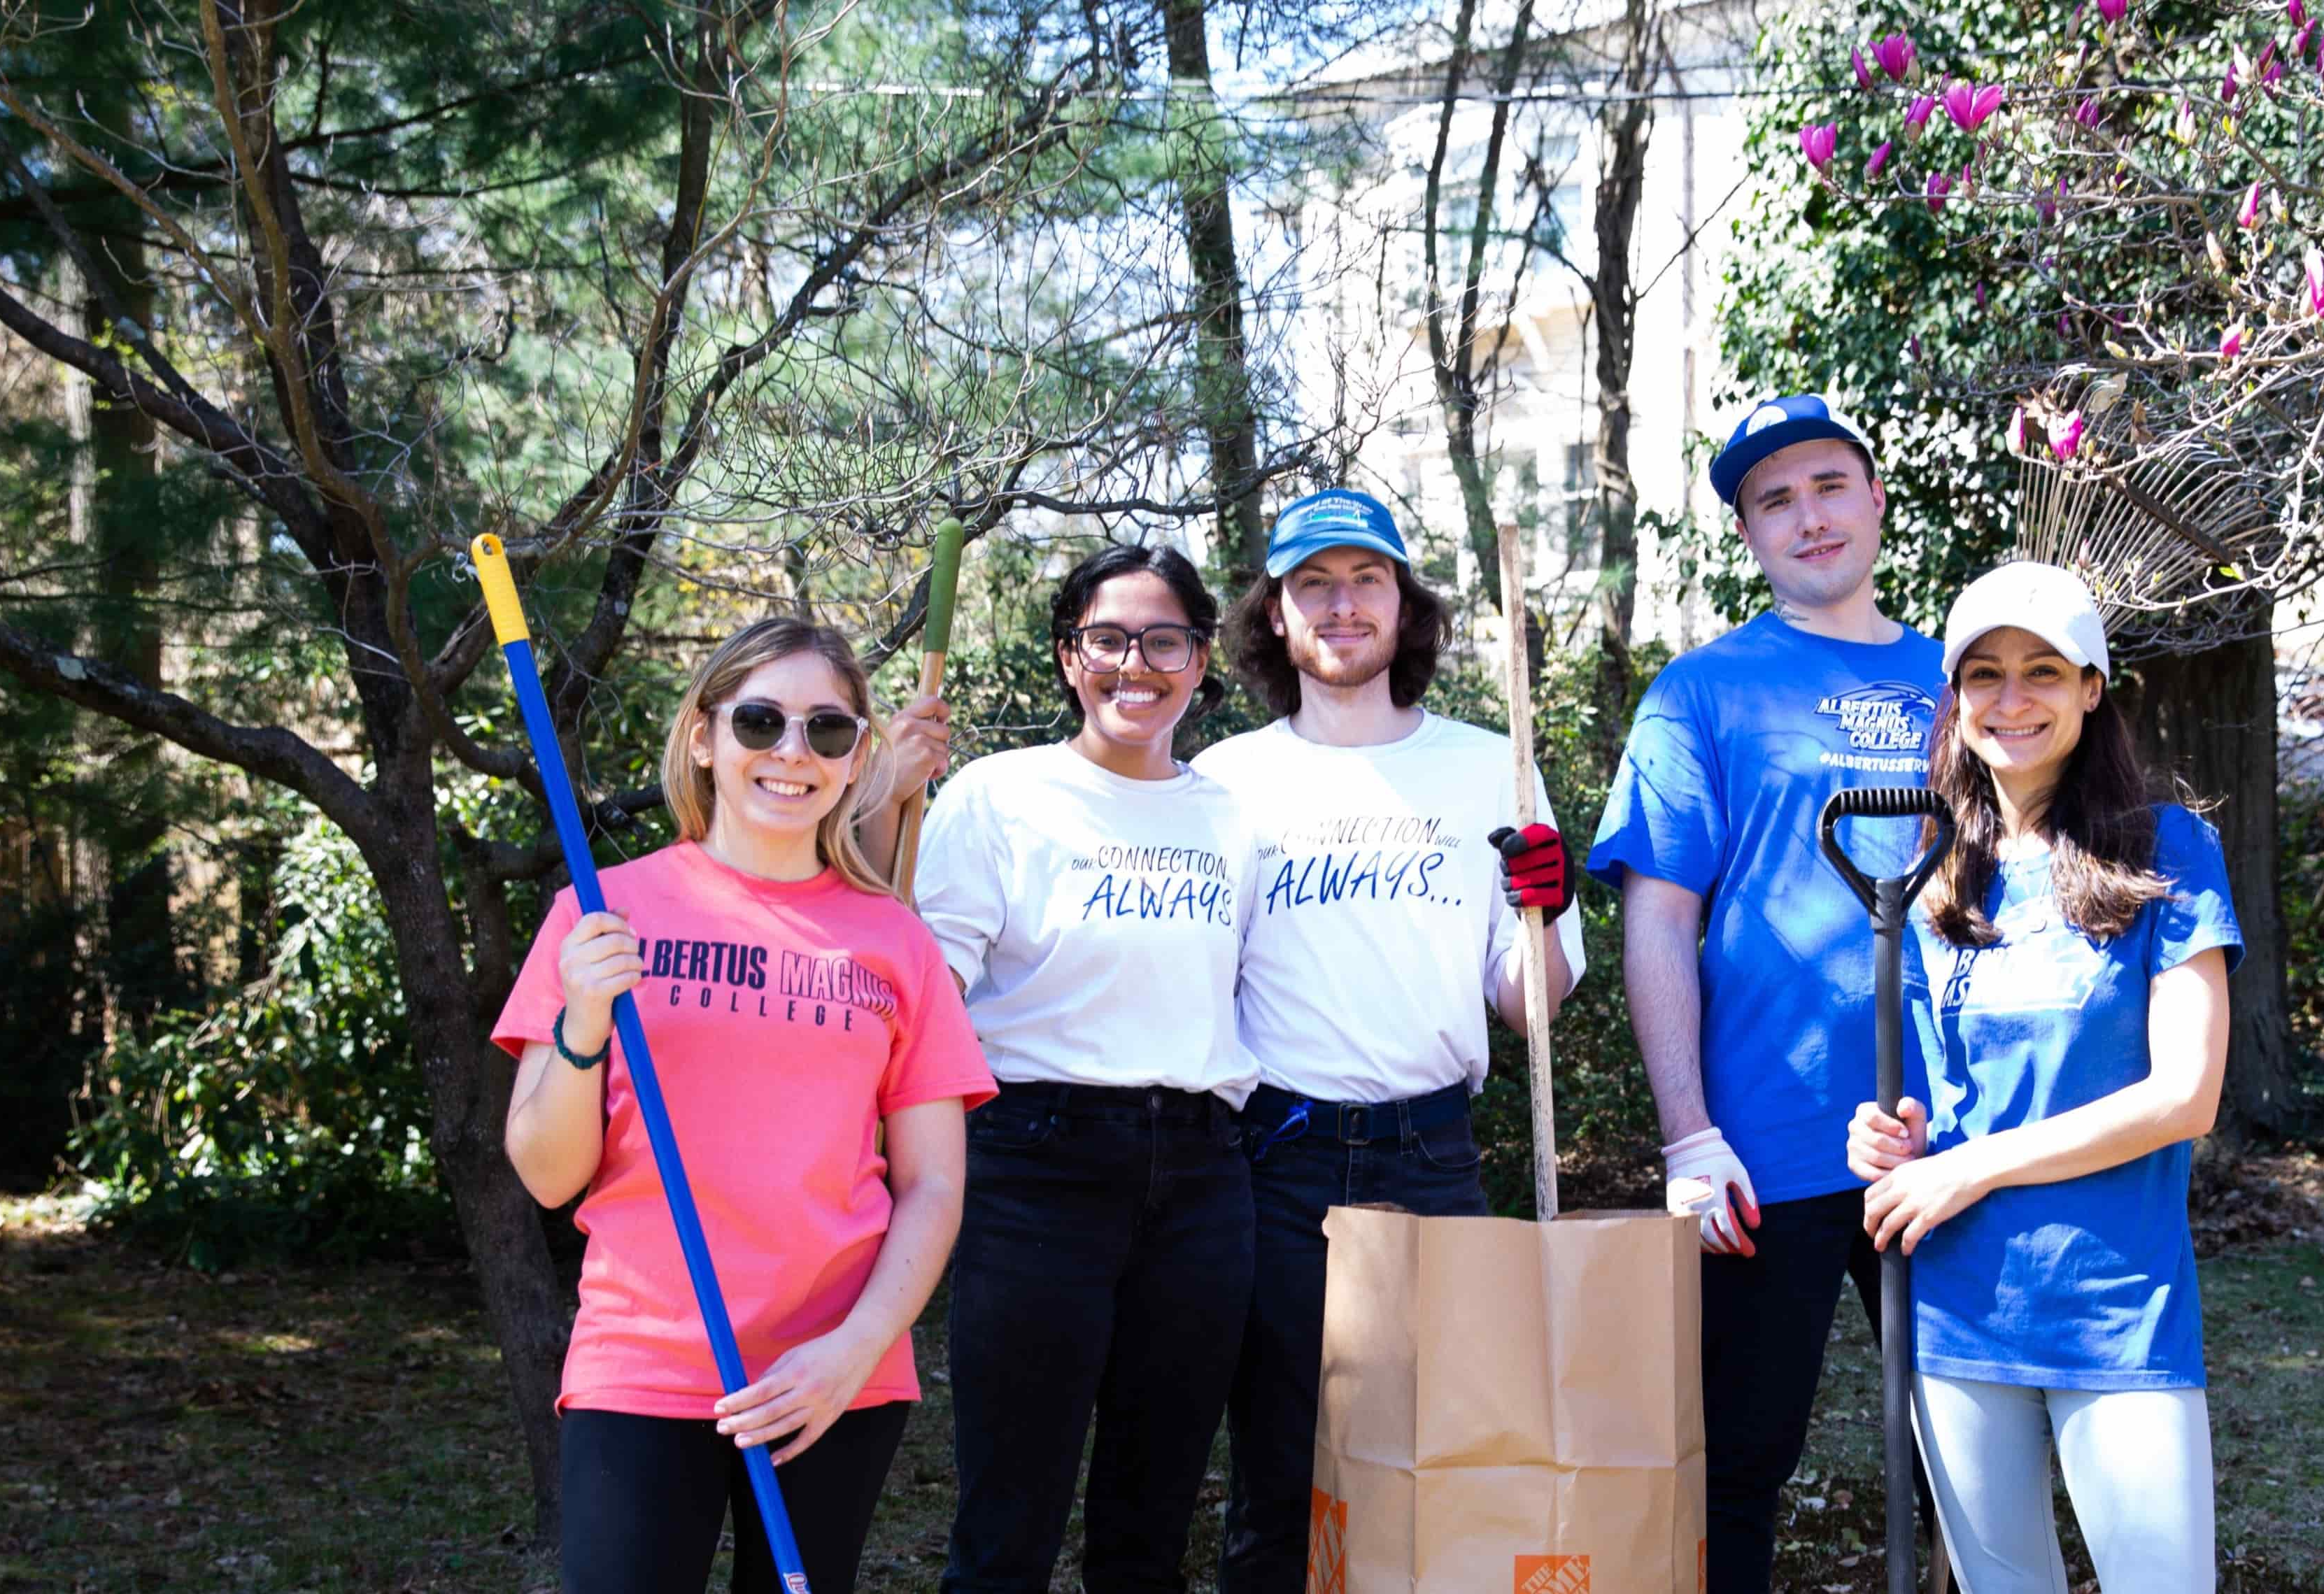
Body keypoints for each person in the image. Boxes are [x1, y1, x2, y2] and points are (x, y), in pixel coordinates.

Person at [494, 617, 991, 1594]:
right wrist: (584, 1019)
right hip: (644, 1359)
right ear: (703, 736)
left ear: (857, 761)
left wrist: (855, 1349)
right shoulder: (601, 911)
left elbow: (934, 1183)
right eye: (760, 721)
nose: (791, 754)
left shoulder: (896, 942)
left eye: (829, 731)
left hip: (833, 1373)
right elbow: (548, 1177)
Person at [1584, 393, 1948, 1593]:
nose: (1808, 517)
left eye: (1827, 485)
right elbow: (1659, 916)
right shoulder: (1698, 694)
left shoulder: (1968, 678)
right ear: (1746, 533)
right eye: (1772, 500)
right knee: (1735, 1464)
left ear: (1876, 496)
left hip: (1951, 1136)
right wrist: (1689, 1135)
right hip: (1766, 1147)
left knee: (1969, 1453)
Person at [1195, 488, 1588, 1593]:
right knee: (1277, 1475)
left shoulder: (1489, 767)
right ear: (1274, 615)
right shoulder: (1225, 781)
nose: (1341, 604)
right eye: (1311, 583)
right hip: (1275, 1158)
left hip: (1432, 1154)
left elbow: (1529, 1006)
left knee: (1435, 1469)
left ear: (1404, 607)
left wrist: (1543, 914)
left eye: (1365, 579)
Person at [1848, 561, 2239, 1594]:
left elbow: (2183, 1096)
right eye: (1982, 675)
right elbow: (1938, 1110)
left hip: (2116, 1304)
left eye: (2041, 673)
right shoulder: (1931, 877)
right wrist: (1896, 1144)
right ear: (1955, 696)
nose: (2009, 701)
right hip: (1959, 1305)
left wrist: (1968, 1172)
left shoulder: (2169, 852)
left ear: (2091, 688)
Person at [912, 542, 1261, 1593]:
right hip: (1035, 1169)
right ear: (1068, 657)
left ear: (1200, 661)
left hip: (1203, 1179)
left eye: (1163, 640)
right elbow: (927, 991)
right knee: (1008, 1518)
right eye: (1105, 639)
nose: (1133, 665)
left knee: (1150, 1522)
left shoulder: (1232, 815)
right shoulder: (996, 796)